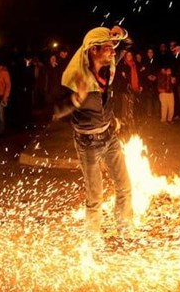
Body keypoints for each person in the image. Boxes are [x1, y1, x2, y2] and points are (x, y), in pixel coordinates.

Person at [53, 25, 134, 245]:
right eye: (108, 48)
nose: (113, 51)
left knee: (125, 186)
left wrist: (120, 33)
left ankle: (125, 231)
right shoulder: (75, 76)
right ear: (93, 50)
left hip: (110, 137)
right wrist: (76, 100)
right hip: (88, 143)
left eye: (112, 47)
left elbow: (127, 43)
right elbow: (55, 110)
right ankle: (93, 242)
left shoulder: (109, 66)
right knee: (95, 198)